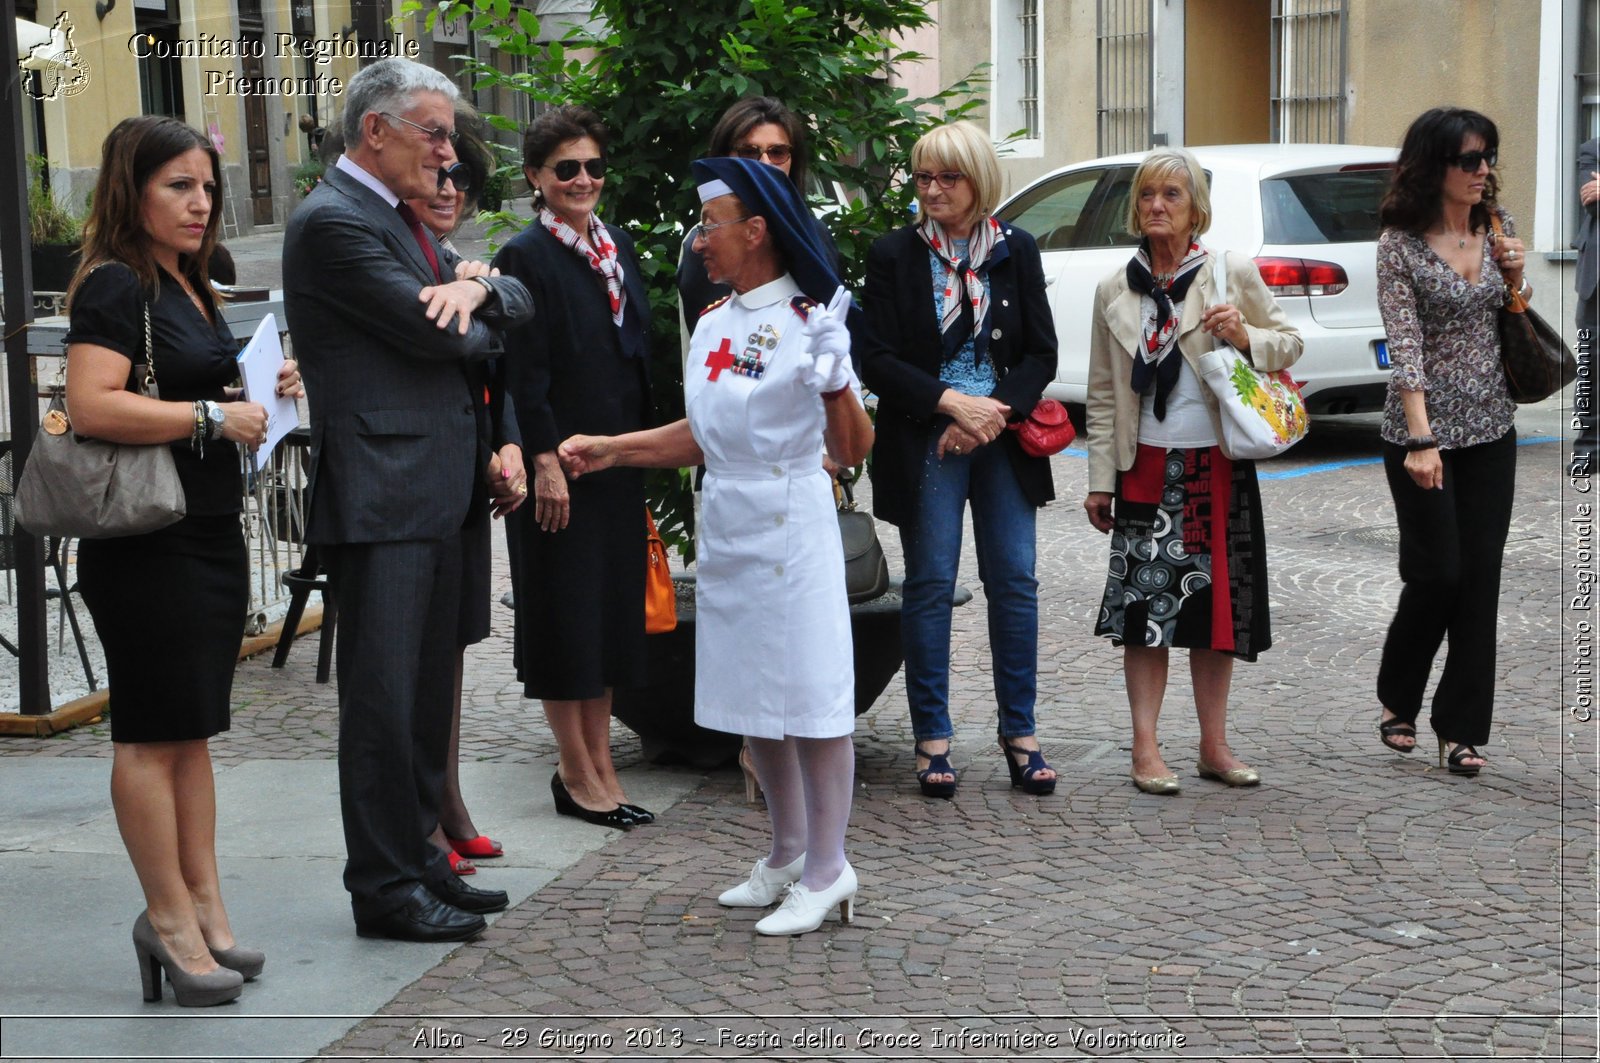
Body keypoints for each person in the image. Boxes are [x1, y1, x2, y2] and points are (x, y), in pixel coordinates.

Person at [560, 155, 874, 936]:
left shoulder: (810, 321)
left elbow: (854, 443)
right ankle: (788, 851)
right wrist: (613, 448)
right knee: (754, 699)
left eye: (712, 225)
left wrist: (837, 380)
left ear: (757, 230)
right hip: (731, 518)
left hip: (790, 519)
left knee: (812, 695)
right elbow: (703, 434)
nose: (701, 241)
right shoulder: (713, 323)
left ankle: (831, 868)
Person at [283, 57, 534, 942]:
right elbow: (451, 342)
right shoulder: (332, 222)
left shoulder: (398, 218)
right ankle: (384, 885)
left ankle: (425, 857)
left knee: (427, 691)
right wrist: (478, 297)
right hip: (386, 495)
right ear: (375, 130)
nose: (446, 151)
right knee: (384, 699)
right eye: (432, 131)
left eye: (450, 133)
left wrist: (477, 283)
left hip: (439, 488)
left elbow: (506, 299)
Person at [64, 115, 302, 1004]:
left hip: (204, 530)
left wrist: (255, 390)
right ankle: (164, 917)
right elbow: (93, 404)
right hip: (144, 541)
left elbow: (190, 388)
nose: (201, 202)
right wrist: (212, 417)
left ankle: (203, 904)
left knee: (191, 732)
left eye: (207, 186)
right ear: (134, 189)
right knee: (150, 733)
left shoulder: (189, 282)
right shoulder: (115, 285)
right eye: (179, 186)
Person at [1082, 146, 1302, 795]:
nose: (1157, 206)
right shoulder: (1114, 289)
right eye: (1148, 195)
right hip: (1144, 463)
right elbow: (1102, 393)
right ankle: (1145, 747)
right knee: (1144, 613)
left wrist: (1242, 336)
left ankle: (1214, 744)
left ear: (1195, 208)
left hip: (1217, 464)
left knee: (1216, 617)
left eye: (1171, 195)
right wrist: (1100, 479)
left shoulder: (1228, 272)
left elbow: (1287, 341)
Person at [858, 120, 1059, 800]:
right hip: (926, 436)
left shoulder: (1016, 250)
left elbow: (1041, 354)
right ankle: (933, 737)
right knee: (931, 584)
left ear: (979, 182)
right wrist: (950, 404)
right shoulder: (894, 254)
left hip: (999, 436)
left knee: (1015, 582)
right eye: (923, 177)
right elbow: (876, 357)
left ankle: (1021, 734)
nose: (934, 190)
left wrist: (989, 413)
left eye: (949, 177)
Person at [491, 106, 656, 830]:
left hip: (616, 460)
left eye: (592, 166)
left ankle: (603, 760)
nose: (582, 179)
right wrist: (545, 458)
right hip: (560, 465)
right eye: (566, 169)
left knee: (609, 617)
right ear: (536, 177)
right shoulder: (524, 256)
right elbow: (522, 370)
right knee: (565, 618)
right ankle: (575, 768)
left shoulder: (615, 245)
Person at [1372, 107, 1525, 777]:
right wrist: (1421, 437)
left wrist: (1515, 276)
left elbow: (1509, 315)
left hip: (1493, 426)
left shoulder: (1499, 230)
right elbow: (1405, 347)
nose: (1482, 170)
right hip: (1419, 433)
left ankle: (1459, 728)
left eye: (1487, 156)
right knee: (1438, 572)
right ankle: (1397, 694)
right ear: (1435, 166)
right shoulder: (1399, 244)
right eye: (1469, 159)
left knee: (1480, 579)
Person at [402, 110, 527, 874]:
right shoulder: (412, 266)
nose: (450, 189)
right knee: (415, 659)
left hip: (469, 475)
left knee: (449, 649)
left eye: (461, 181)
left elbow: (497, 372)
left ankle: (448, 800)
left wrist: (508, 443)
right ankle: (428, 815)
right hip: (419, 479)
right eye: (439, 176)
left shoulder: (464, 267)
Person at [677, 96, 842, 327]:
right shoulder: (708, 240)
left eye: (777, 152)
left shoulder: (816, 232)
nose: (765, 164)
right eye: (749, 151)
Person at [1575, 136, 1598, 471]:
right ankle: (1589, 448)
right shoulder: (1593, 150)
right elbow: (1592, 202)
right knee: (1591, 367)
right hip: (1597, 279)